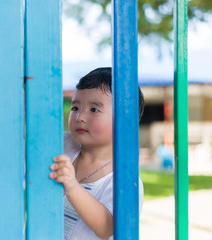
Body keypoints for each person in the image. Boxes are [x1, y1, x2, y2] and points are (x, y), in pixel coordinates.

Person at [49, 67, 145, 240]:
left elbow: (108, 227)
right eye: (75, 107)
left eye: (94, 109)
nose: (80, 117)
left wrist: (72, 187)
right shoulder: (65, 145)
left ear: (124, 121)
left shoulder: (125, 180)